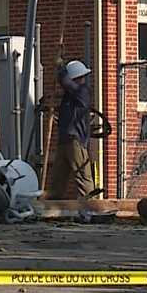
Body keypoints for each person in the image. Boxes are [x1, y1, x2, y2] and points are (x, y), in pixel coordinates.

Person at [49, 60, 95, 199]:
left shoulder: (83, 91)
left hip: (75, 142)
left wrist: (60, 67)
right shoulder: (69, 96)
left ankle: (90, 207)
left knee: (83, 177)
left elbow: (65, 82)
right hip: (64, 141)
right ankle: (51, 207)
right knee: (58, 178)